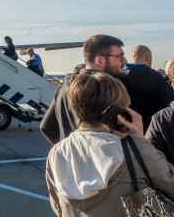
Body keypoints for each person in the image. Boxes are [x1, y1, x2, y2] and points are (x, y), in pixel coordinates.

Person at [46, 72, 174, 217]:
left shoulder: (56, 153)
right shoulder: (135, 149)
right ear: (116, 112)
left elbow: (57, 205)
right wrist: (140, 138)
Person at [41, 34, 173, 144]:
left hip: (75, 170)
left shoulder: (66, 87)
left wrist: (66, 152)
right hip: (113, 169)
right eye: (119, 56)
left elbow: (47, 128)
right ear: (99, 60)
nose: (124, 61)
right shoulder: (110, 92)